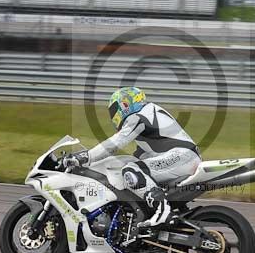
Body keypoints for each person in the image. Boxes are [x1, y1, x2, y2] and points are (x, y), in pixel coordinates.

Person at [62, 87, 201, 228]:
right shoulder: (149, 114)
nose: (114, 115)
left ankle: (162, 211)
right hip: (181, 157)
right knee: (130, 166)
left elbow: (114, 144)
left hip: (182, 157)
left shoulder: (139, 116)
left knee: (131, 171)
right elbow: (140, 155)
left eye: (115, 109)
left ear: (125, 104)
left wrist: (86, 156)